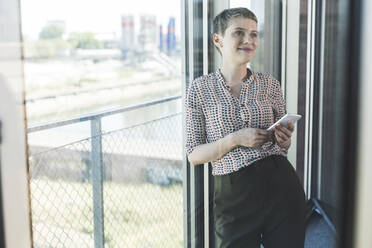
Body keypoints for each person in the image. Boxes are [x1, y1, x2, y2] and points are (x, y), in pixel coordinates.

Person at [185, 7, 307, 248]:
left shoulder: (270, 84)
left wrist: (284, 140)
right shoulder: (199, 90)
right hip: (233, 194)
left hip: (281, 185)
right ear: (217, 40)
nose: (248, 40)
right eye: (238, 33)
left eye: (253, 34)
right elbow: (193, 155)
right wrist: (235, 139)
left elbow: (282, 145)